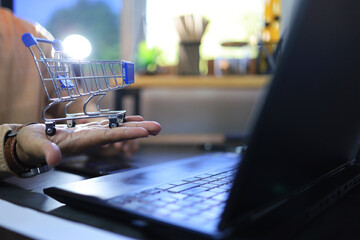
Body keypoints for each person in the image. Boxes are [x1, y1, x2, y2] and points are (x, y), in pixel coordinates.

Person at [0, 8, 161, 178]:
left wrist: (98, 124)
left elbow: (76, 104)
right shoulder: (33, 35)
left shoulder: (33, 33)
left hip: (34, 182)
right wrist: (12, 147)